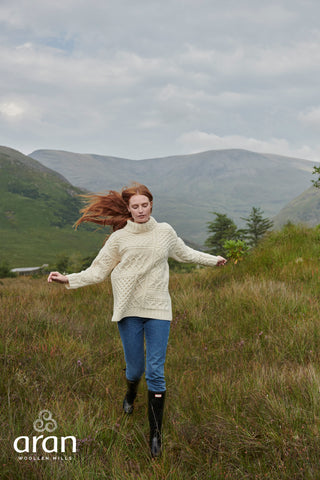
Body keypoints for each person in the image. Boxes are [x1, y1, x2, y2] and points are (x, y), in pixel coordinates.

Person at [47, 183, 226, 458]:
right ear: (128, 210)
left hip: (158, 310)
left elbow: (186, 253)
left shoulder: (164, 232)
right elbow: (98, 271)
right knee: (135, 369)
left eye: (145, 205)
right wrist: (67, 278)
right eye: (135, 207)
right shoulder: (119, 238)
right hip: (128, 310)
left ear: (151, 205)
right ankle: (130, 393)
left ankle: (156, 435)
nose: (141, 210)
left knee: (156, 370)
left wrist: (214, 260)